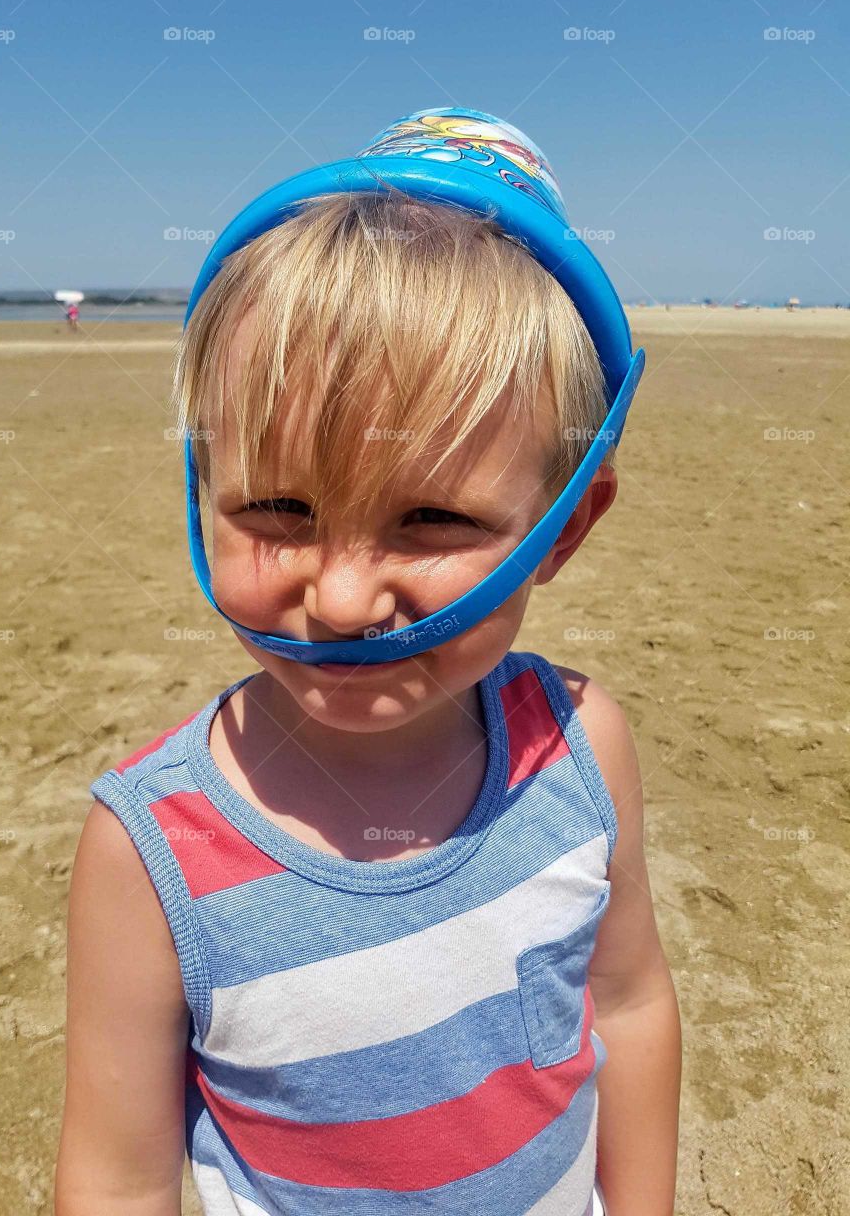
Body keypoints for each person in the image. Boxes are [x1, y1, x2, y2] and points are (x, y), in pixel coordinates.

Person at [56, 109, 681, 1216]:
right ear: (203, 489)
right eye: (279, 507)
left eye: (431, 518)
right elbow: (117, 1177)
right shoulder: (148, 855)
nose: (342, 599)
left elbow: (628, 1007)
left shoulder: (583, 746)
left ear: (567, 527)